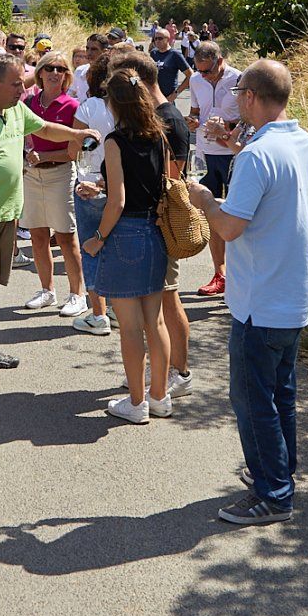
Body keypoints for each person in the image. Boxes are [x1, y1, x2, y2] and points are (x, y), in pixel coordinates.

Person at [185, 60, 308, 525]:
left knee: (252, 399)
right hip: (294, 289)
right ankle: (279, 470)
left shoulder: (256, 155)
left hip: (260, 298)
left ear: (249, 96)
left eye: (239, 93)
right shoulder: (307, 144)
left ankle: (273, 494)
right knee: (280, 392)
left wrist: (205, 201)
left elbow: (229, 227)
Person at [0, 54, 98, 385]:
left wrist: (76, 134)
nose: (22, 89)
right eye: (16, 84)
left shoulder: (14, 108)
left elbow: (45, 128)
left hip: (7, 212)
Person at [82, 65, 174, 424]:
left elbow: (117, 201)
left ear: (114, 103)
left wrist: (97, 239)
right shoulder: (159, 135)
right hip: (155, 231)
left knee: (131, 327)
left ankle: (136, 403)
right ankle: (159, 396)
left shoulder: (115, 141)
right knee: (156, 322)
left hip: (125, 235)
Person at [108, 48, 196, 395]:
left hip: (160, 224)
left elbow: (171, 181)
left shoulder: (168, 121)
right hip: (152, 225)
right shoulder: (154, 119)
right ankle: (162, 372)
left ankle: (179, 372)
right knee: (157, 309)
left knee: (168, 303)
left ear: (140, 83)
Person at [20, 52, 87, 317]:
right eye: (49, 68)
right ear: (40, 72)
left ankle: (77, 294)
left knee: (65, 236)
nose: (55, 73)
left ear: (67, 75)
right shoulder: (29, 102)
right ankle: (47, 290)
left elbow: (73, 152)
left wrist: (45, 157)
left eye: (60, 68)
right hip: (31, 174)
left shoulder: (72, 105)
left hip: (60, 174)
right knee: (37, 235)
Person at [186, 41, 242, 298]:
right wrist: (192, 122)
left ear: (220, 61)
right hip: (205, 153)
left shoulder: (239, 79)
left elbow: (249, 118)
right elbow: (195, 111)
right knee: (211, 215)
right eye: (199, 71)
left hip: (233, 154)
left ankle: (239, 275)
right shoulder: (196, 80)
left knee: (237, 214)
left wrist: (226, 127)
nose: (203, 76)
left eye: (207, 71)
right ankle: (220, 274)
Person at [70, 53, 117, 337]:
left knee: (91, 246)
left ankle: (99, 314)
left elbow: (72, 149)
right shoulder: (131, 107)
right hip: (119, 186)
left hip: (89, 185)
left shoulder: (88, 107)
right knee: (115, 246)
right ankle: (117, 308)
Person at [150, 26, 194, 101]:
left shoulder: (175, 54)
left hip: (168, 98)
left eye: (160, 38)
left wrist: (176, 93)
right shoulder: (153, 53)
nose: (157, 41)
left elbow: (190, 75)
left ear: (167, 39)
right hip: (154, 97)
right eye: (155, 39)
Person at [71, 32, 108, 101]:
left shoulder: (110, 74)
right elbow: (71, 94)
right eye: (87, 48)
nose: (89, 53)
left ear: (104, 52)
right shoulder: (79, 71)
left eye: (94, 49)